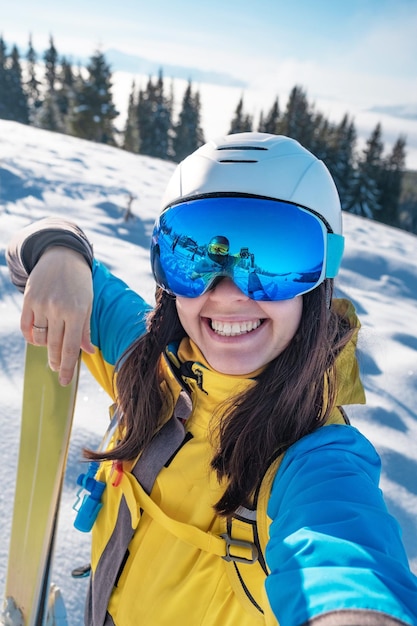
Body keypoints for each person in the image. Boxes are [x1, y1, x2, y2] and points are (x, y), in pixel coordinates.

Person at [7, 132, 417, 626]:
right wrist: (61, 252)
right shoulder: (149, 362)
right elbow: (27, 249)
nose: (224, 294)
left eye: (271, 260)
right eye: (195, 258)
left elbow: (346, 554)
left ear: (321, 277)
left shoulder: (314, 457)